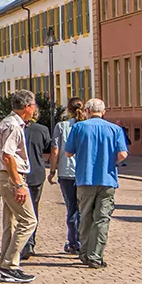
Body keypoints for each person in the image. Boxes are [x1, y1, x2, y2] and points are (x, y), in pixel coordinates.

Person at [66, 98, 128, 267]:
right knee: (102, 219)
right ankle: (95, 256)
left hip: (85, 178)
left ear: (86, 110)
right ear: (104, 112)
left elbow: (68, 153)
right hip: (107, 179)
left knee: (85, 216)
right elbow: (123, 155)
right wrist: (110, 162)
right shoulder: (115, 129)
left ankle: (84, 253)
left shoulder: (78, 128)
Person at [0, 91, 38, 283]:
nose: (35, 109)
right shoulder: (14, 126)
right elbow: (8, 155)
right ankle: (9, 265)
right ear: (27, 107)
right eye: (34, 105)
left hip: (5, 175)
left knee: (10, 223)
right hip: (12, 176)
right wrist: (18, 183)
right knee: (29, 221)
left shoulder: (7, 122)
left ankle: (8, 263)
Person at [16, 104, 54, 259]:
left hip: (20, 174)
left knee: (20, 211)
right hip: (37, 173)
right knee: (34, 209)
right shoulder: (43, 130)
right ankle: (30, 243)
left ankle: (22, 243)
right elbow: (47, 149)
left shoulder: (17, 129)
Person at [57, 99, 86, 254]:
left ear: (67, 110)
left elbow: (56, 150)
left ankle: (73, 242)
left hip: (66, 172)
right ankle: (83, 241)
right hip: (84, 172)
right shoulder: (86, 127)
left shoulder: (62, 126)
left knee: (71, 208)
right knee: (83, 209)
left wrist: (52, 170)